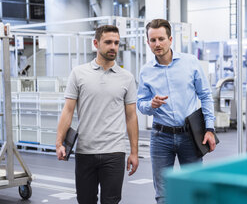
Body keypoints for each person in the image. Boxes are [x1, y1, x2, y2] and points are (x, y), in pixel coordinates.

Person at [55, 25, 139, 204]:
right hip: (85, 151)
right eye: (108, 42)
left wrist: (134, 152)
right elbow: (68, 110)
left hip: (114, 152)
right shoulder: (78, 73)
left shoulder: (127, 77)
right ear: (96, 43)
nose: (113, 47)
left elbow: (131, 116)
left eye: (116, 43)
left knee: (111, 201)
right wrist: (59, 142)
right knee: (85, 200)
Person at [137, 19, 216, 204]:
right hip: (160, 137)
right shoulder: (145, 71)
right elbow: (140, 103)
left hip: (190, 135)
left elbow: (205, 96)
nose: (157, 44)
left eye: (161, 39)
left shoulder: (190, 63)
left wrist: (210, 129)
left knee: (195, 188)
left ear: (170, 39)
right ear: (148, 42)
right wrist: (151, 104)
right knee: (163, 194)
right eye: (153, 40)